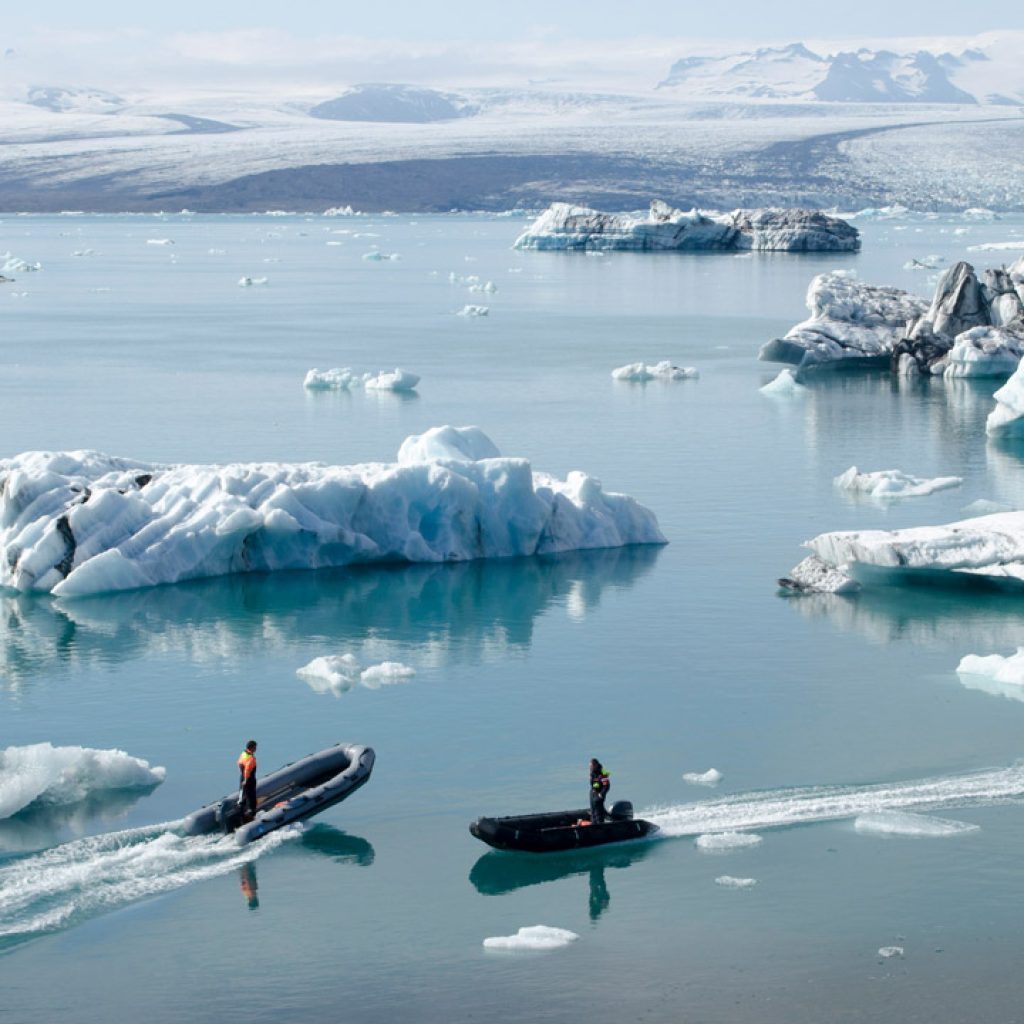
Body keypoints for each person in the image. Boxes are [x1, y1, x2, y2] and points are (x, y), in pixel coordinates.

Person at [237, 740, 258, 820]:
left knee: (243, 796)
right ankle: (251, 814)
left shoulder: (243, 754)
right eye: (255, 747)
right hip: (249, 779)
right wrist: (246, 780)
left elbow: (239, 763)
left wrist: (243, 778)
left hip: (242, 777)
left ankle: (241, 814)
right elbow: (247, 770)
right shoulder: (250, 758)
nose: (256, 749)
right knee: (251, 797)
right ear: (252, 748)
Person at [589, 757, 610, 825]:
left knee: (598, 811)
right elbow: (594, 783)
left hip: (599, 794)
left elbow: (606, 786)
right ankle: (594, 824)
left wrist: (601, 794)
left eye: (591, 766)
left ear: (595, 765)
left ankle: (600, 825)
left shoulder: (603, 772)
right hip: (593, 793)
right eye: (590, 766)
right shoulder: (593, 772)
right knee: (593, 811)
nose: (590, 768)